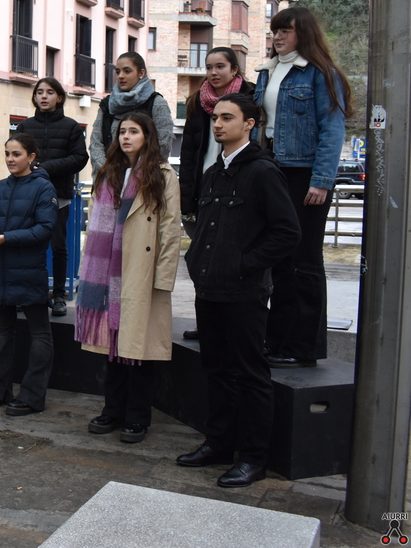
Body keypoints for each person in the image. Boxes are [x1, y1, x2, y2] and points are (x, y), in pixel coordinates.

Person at [179, 93, 301, 488]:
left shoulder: (263, 172)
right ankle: (219, 444)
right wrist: (197, 261)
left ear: (249, 124)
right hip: (209, 289)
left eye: (227, 118)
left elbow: (287, 233)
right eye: (215, 118)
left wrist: (244, 265)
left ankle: (253, 459)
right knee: (216, 370)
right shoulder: (214, 172)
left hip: (245, 293)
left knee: (251, 375)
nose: (217, 124)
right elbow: (206, 226)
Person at [76, 112, 180, 444]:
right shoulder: (108, 173)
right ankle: (113, 410)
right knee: (112, 347)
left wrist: (162, 278)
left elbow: (170, 229)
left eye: (133, 131)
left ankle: (137, 417)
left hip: (140, 272)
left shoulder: (163, 175)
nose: (125, 137)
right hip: (107, 273)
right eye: (122, 131)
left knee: (138, 349)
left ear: (147, 137)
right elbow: (95, 225)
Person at [255, 6, 351, 368]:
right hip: (273, 170)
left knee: (304, 260)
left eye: (286, 31)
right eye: (275, 31)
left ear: (304, 34)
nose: (278, 37)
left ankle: (303, 347)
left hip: (305, 173)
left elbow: (332, 131)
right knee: (279, 260)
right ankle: (277, 341)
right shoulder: (267, 72)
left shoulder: (321, 74)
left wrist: (321, 181)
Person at [0, 133, 58, 416]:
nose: (10, 159)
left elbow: (44, 229)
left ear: (32, 157)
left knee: (40, 332)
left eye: (17, 154)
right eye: (7, 154)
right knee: (2, 331)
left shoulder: (44, 188)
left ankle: (32, 396)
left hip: (29, 270)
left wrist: (5, 238)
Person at [179, 47, 256, 340]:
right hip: (205, 187)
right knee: (202, 259)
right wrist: (187, 197)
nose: (213, 72)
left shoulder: (250, 97)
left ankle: (238, 327)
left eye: (220, 66)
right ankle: (206, 323)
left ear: (234, 70)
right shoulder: (197, 102)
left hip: (238, 186)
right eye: (209, 67)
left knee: (232, 258)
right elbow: (188, 153)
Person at [15, 77, 89, 316]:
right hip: (28, 196)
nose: (43, 96)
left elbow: (79, 158)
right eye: (39, 92)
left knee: (58, 247)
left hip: (59, 195)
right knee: (29, 247)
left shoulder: (71, 127)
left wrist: (47, 167)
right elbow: (15, 154)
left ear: (59, 97)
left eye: (49, 92)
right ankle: (31, 294)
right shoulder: (25, 127)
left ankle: (58, 296)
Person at [89, 52, 173, 173]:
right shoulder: (107, 104)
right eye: (118, 72)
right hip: (109, 177)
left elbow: (163, 145)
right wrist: (108, 171)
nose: (121, 76)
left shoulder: (156, 103)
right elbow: (96, 143)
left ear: (141, 73)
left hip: (145, 177)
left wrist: (135, 173)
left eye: (127, 71)